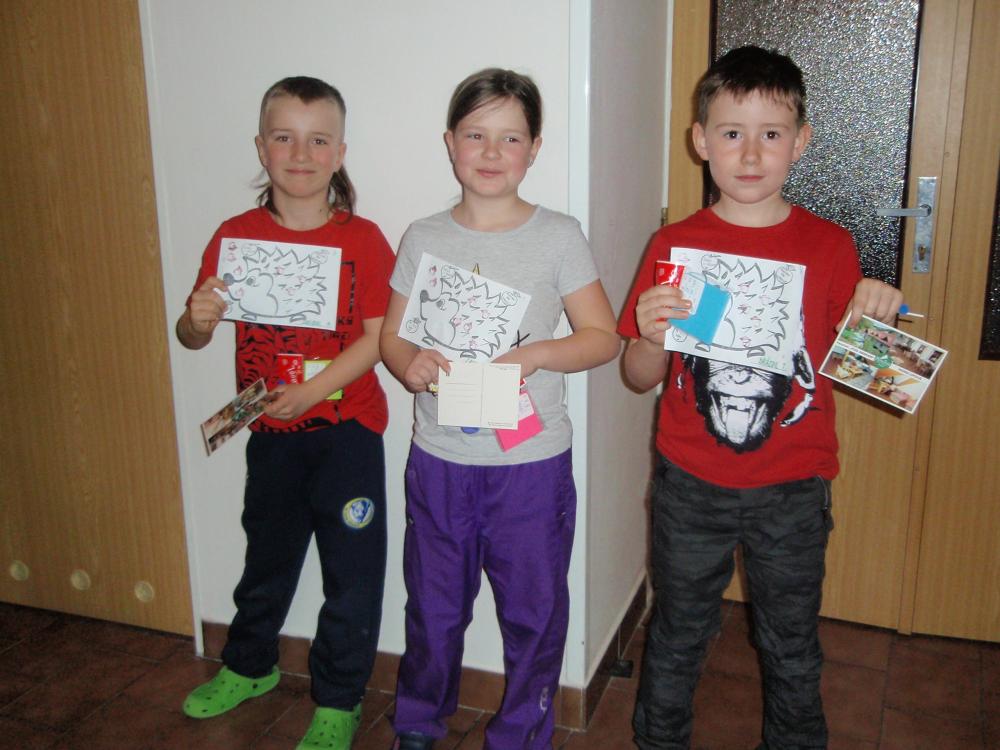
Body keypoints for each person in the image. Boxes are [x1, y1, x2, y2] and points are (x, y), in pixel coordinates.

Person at [618, 46, 903, 749]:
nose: (750, 154)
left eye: (771, 134)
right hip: (690, 483)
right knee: (678, 634)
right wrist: (650, 333)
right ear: (700, 140)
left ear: (800, 142)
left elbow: (873, 376)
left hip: (793, 489)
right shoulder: (675, 244)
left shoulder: (828, 247)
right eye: (731, 132)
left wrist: (877, 321)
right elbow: (639, 375)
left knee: (791, 644)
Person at [379, 68, 620, 750]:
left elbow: (603, 338)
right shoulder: (423, 236)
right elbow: (392, 336)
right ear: (450, 142)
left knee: (533, 613)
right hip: (440, 460)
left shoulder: (558, 235)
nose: (491, 152)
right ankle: (418, 722)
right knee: (433, 607)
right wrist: (407, 363)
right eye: (475, 135)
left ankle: (520, 735)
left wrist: (534, 355)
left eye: (510, 138)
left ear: (535, 148)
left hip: (529, 465)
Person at [176, 76, 394, 750]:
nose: (301, 154)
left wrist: (316, 388)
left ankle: (339, 699)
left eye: (318, 140)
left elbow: (380, 339)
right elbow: (192, 334)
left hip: (348, 432)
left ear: (340, 153)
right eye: (284, 137)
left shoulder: (364, 239)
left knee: (352, 573)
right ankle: (249, 666)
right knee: (266, 557)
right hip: (269, 431)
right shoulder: (235, 236)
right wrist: (196, 320)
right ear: (261, 147)